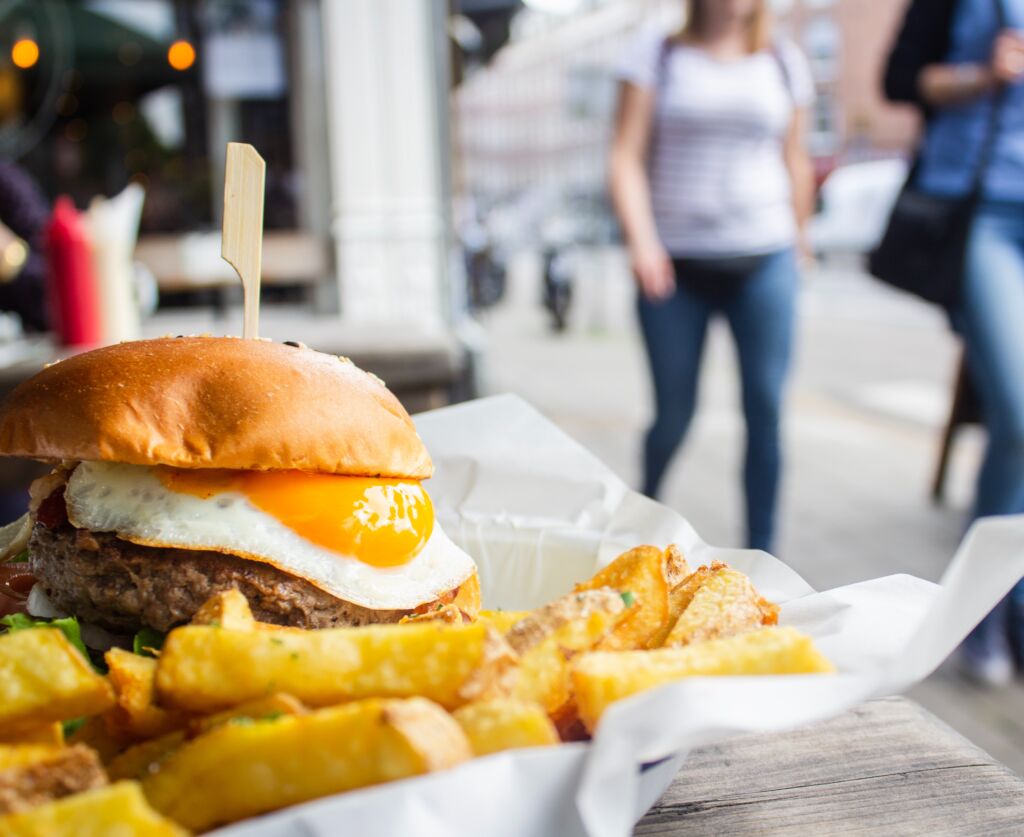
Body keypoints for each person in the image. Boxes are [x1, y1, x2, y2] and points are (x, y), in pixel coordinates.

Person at [609, 0, 815, 553]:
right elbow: (625, 155)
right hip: (674, 267)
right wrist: (642, 240)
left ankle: (765, 557)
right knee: (674, 415)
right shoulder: (657, 50)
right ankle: (638, 527)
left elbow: (794, 154)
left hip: (765, 255)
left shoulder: (783, 59)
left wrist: (800, 236)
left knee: (766, 408)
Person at [884, 0, 1024, 685]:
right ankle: (982, 610)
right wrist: (983, 74)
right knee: (1018, 415)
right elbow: (900, 79)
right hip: (983, 210)